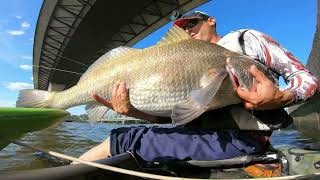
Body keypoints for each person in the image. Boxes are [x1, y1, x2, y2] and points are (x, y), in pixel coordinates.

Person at [77, 11, 318, 163]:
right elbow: (175, 117)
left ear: (211, 21)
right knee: (121, 133)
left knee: (121, 140)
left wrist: (284, 96)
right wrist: (132, 112)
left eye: (192, 22)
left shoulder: (246, 40)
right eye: (182, 27)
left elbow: (307, 79)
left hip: (240, 140)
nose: (187, 29)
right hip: (197, 136)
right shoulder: (179, 64)